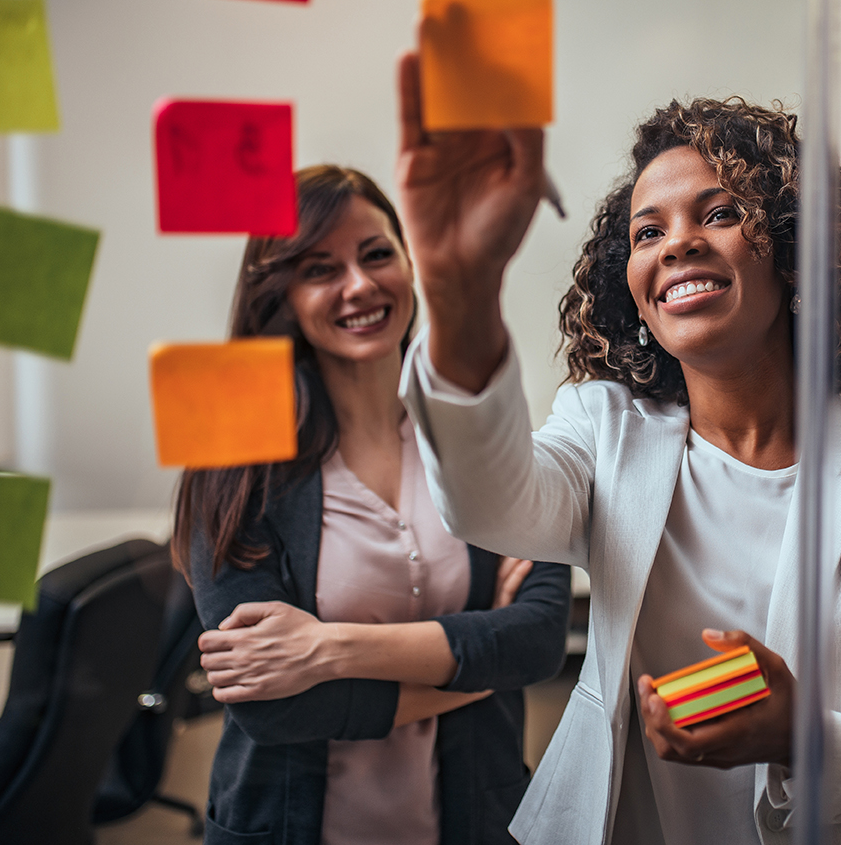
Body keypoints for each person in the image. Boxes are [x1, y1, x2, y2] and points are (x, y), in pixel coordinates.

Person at [392, 49, 841, 845]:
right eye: (649, 231)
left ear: (795, 251)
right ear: (636, 289)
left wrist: (803, 739)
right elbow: (486, 506)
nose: (677, 243)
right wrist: (460, 287)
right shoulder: (603, 429)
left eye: (718, 214)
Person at [172, 165, 571, 845]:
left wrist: (324, 649)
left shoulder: (474, 430)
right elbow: (272, 707)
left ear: (410, 263)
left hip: (472, 817)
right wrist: (480, 668)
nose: (359, 285)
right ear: (282, 294)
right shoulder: (232, 455)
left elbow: (536, 638)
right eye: (320, 269)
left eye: (377, 254)